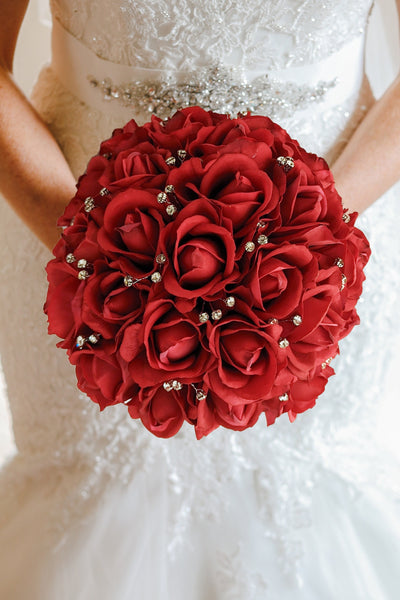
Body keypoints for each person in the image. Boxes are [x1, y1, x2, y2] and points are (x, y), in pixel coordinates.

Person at [0, 1, 399, 598]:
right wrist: (91, 251)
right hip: (73, 225)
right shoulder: (84, 248)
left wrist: (316, 243)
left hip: (328, 246)